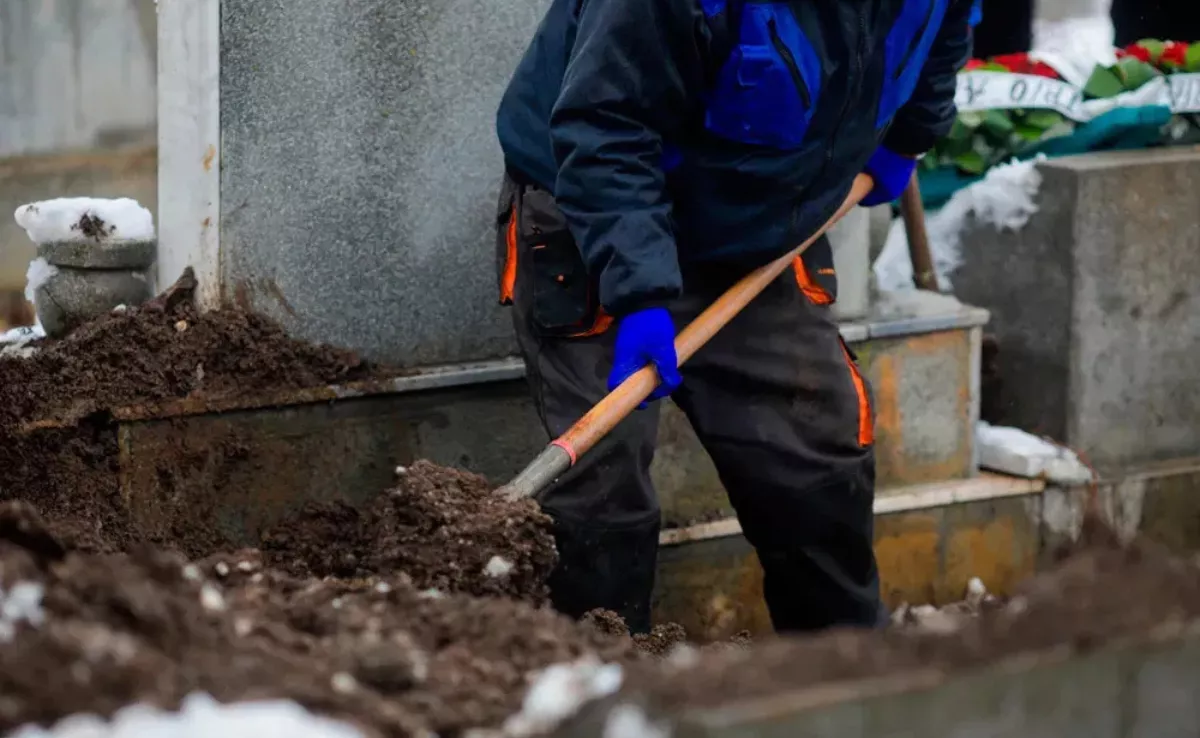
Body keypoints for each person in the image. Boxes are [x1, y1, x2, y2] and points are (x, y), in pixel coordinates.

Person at [494, 0, 973, 634]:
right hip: (598, 215)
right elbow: (605, 127)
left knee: (815, 451)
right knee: (601, 492)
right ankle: (603, 686)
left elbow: (940, 30)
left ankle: (844, 671)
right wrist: (639, 294)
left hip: (756, 230)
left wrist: (911, 133)